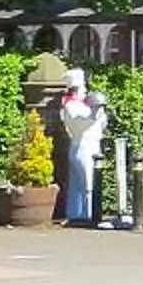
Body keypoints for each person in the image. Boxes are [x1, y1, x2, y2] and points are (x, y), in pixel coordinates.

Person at [52, 68, 110, 227]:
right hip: (83, 146)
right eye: (82, 86)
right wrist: (94, 114)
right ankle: (88, 216)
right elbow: (79, 124)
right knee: (87, 185)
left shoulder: (83, 104)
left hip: (91, 145)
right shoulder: (71, 105)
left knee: (78, 185)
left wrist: (99, 112)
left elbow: (101, 123)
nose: (84, 89)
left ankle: (78, 216)